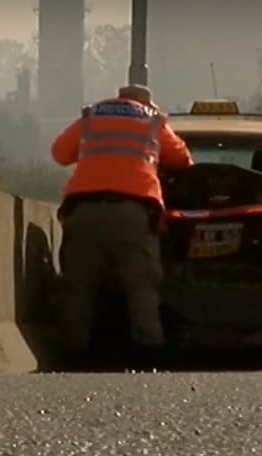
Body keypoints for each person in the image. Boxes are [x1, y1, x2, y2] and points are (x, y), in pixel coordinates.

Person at [50, 84, 194, 368]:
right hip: (133, 211)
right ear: (146, 102)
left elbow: (59, 154)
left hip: (83, 210)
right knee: (141, 285)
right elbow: (183, 161)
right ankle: (149, 353)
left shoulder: (91, 118)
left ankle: (72, 352)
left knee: (79, 284)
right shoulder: (152, 121)